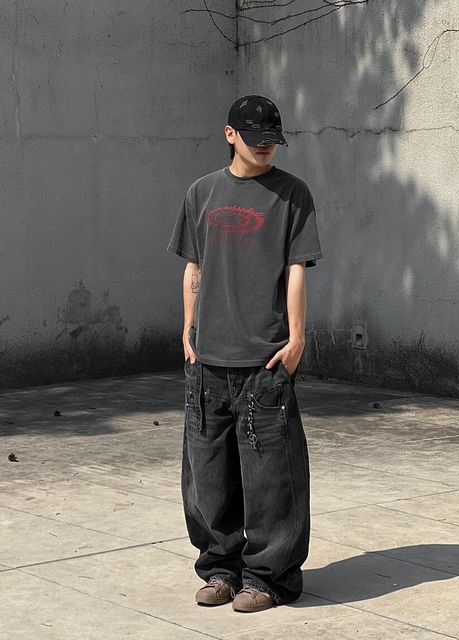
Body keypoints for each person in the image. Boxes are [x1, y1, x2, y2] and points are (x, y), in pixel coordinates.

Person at [166, 95, 323, 613]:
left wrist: (296, 339)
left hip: (265, 361)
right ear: (230, 134)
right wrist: (187, 328)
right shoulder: (201, 192)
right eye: (256, 140)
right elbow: (194, 267)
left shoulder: (292, 194)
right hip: (207, 361)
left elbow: (296, 269)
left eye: (272, 140)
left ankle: (270, 579)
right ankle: (221, 569)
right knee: (207, 479)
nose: (265, 148)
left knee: (272, 480)